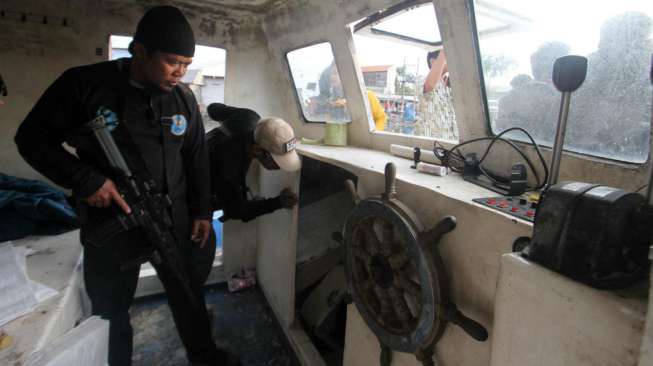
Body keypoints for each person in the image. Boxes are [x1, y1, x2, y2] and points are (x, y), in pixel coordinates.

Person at [14, 6, 237, 366]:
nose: (181, 72)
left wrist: (200, 211)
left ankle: (206, 358)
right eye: (171, 62)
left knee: (189, 294)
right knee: (111, 311)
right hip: (112, 223)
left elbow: (196, 157)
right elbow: (31, 139)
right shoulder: (83, 86)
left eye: (186, 63)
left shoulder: (183, 97)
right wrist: (85, 179)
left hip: (175, 219)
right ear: (139, 51)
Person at [205, 103, 300, 223]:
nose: (279, 167)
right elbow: (235, 211)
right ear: (257, 150)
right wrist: (278, 202)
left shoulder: (249, 117)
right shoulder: (229, 165)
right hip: (188, 198)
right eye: (277, 162)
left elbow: (212, 109)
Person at [417, 49, 458, 140]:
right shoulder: (422, 79)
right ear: (433, 61)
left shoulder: (448, 84)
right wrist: (444, 50)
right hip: (431, 143)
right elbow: (429, 85)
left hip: (450, 141)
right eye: (447, 58)